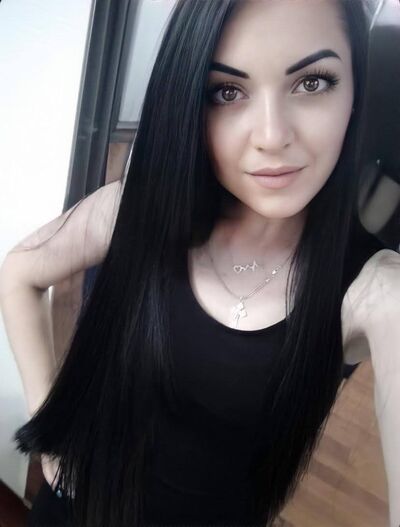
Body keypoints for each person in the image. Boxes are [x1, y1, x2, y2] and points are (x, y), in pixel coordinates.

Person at [0, 0, 399, 526]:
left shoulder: (376, 294)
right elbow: (20, 272)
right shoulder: (140, 209)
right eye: (227, 92)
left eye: (311, 82)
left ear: (355, 91)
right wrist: (49, 425)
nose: (272, 135)